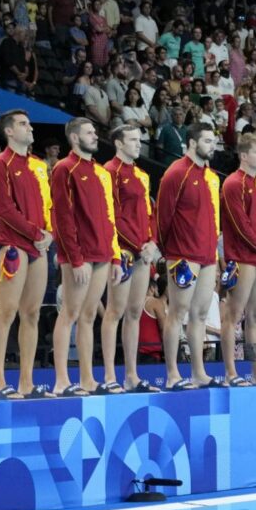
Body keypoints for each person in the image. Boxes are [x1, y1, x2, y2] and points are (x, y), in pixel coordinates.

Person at [50, 117, 124, 396]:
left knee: (90, 314)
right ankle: (60, 380)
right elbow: (62, 218)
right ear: (74, 138)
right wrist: (75, 258)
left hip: (102, 252)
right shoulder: (64, 169)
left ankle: (87, 379)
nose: (95, 136)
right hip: (78, 255)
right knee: (70, 312)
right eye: (90, 133)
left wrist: (115, 256)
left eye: (95, 131)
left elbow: (109, 217)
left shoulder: (102, 173)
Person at [0, 110, 54, 399]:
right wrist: (37, 234)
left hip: (39, 246)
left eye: (29, 122)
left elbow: (48, 203)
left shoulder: (39, 165)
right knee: (6, 312)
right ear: (9, 131)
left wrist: (50, 232)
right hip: (14, 245)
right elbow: (4, 210)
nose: (30, 128)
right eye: (24, 124)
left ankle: (26, 382)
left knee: (32, 314)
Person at [157, 122, 222, 390]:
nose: (213, 146)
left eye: (214, 141)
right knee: (178, 311)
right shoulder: (176, 173)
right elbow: (163, 216)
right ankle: (172, 373)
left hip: (207, 255)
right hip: (183, 254)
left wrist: (216, 253)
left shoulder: (211, 176)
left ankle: (198, 372)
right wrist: (165, 250)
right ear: (193, 143)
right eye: (207, 141)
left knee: (201, 314)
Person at [101, 125, 161, 392]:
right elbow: (110, 215)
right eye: (134, 140)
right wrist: (138, 245)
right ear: (118, 143)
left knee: (135, 312)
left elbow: (150, 213)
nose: (139, 144)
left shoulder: (142, 174)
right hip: (123, 251)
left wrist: (152, 242)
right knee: (115, 311)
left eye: (140, 139)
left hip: (142, 251)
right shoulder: (109, 171)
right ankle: (110, 376)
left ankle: (132, 375)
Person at [219, 133, 256, 386]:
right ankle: (231, 371)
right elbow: (240, 224)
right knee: (233, 316)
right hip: (243, 257)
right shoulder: (233, 183)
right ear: (243, 156)